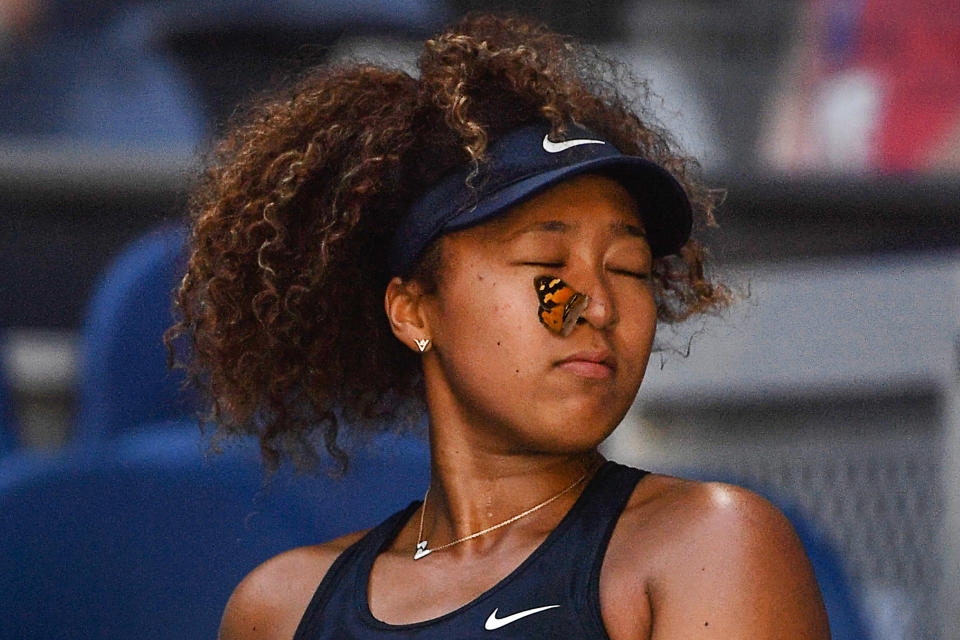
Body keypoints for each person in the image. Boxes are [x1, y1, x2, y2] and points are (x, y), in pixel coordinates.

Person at [165, 12, 831, 640]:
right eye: (546, 262)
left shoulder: (712, 544)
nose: (597, 306)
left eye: (628, 269)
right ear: (414, 310)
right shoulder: (283, 609)